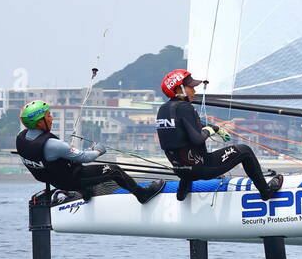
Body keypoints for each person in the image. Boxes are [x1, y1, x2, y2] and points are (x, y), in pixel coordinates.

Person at [156, 69, 284, 202]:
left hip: (181, 171)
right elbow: (197, 139)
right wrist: (209, 131)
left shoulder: (163, 109)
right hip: (202, 168)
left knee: (183, 154)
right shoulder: (185, 107)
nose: (194, 91)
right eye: (191, 87)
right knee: (245, 150)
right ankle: (266, 192)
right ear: (178, 89)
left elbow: (195, 125)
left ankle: (181, 194)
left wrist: (216, 128)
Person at [16, 100, 165, 204]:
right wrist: (99, 150)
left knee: (72, 165)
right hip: (71, 180)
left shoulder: (21, 140)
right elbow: (85, 157)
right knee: (114, 170)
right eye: (48, 115)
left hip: (54, 179)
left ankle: (86, 192)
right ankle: (142, 195)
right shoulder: (52, 144)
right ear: (39, 122)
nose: (51, 118)